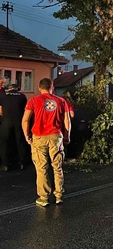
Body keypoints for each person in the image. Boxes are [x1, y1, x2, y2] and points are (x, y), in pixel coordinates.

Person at [22, 78, 71, 207]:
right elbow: (67, 122)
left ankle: (44, 198)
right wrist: (67, 136)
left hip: (39, 137)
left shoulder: (33, 101)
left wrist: (27, 136)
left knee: (41, 167)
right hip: (56, 137)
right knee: (57, 167)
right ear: (52, 87)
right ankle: (59, 195)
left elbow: (25, 120)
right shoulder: (61, 101)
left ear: (39, 88)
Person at [0, 84, 28, 172]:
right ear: (17, 89)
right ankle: (22, 163)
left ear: (8, 89)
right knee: (20, 142)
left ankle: (5, 165)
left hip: (6, 122)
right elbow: (25, 109)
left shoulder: (3, 96)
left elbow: (0, 111)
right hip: (19, 121)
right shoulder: (22, 96)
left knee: (4, 143)